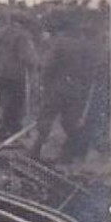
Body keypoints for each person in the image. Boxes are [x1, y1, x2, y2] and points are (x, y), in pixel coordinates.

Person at [32, 11, 96, 163]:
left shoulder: (60, 43)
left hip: (57, 89)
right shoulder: (84, 45)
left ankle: (35, 150)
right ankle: (69, 154)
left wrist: (43, 85)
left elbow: (48, 66)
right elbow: (89, 71)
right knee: (70, 122)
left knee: (46, 118)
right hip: (75, 89)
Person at [0, 7, 38, 144]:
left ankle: (7, 131)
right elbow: (28, 57)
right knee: (15, 104)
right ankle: (10, 132)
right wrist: (36, 65)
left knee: (6, 101)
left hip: (1, 72)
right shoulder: (23, 35)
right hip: (16, 74)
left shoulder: (0, 33)